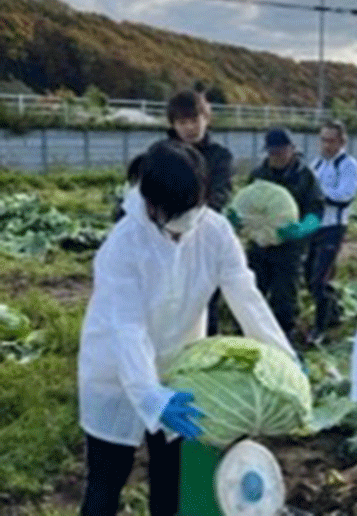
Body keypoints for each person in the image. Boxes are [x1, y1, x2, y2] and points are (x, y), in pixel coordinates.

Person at [78, 141, 299, 516]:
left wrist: (282, 352)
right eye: (176, 220)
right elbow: (127, 329)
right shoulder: (123, 246)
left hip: (181, 371)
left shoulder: (214, 231)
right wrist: (149, 395)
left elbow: (244, 293)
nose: (185, 230)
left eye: (192, 212)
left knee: (172, 482)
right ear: (151, 205)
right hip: (116, 373)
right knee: (106, 481)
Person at [115, 90, 235, 336]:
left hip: (202, 240)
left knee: (204, 302)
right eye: (182, 122)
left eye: (195, 120)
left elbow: (219, 195)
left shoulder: (220, 157)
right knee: (163, 302)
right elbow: (141, 193)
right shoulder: (159, 152)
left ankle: (204, 357)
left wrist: (189, 219)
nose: (190, 127)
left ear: (206, 118)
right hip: (162, 241)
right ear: (173, 124)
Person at [246, 128, 324, 342]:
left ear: (292, 149)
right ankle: (252, 334)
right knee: (254, 290)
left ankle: (284, 336)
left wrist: (303, 227)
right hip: (260, 245)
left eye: (281, 151)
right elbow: (248, 203)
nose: (277, 156)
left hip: (290, 246)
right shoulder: (259, 175)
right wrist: (238, 218)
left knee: (285, 294)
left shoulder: (305, 177)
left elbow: (316, 209)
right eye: (272, 152)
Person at [304, 120, 357, 345]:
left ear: (342, 141)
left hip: (333, 228)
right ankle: (334, 311)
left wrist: (318, 193)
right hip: (313, 227)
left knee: (319, 278)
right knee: (310, 276)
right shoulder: (317, 163)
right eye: (323, 140)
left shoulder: (348, 165)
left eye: (331, 140)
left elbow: (344, 197)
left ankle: (319, 328)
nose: (326, 145)